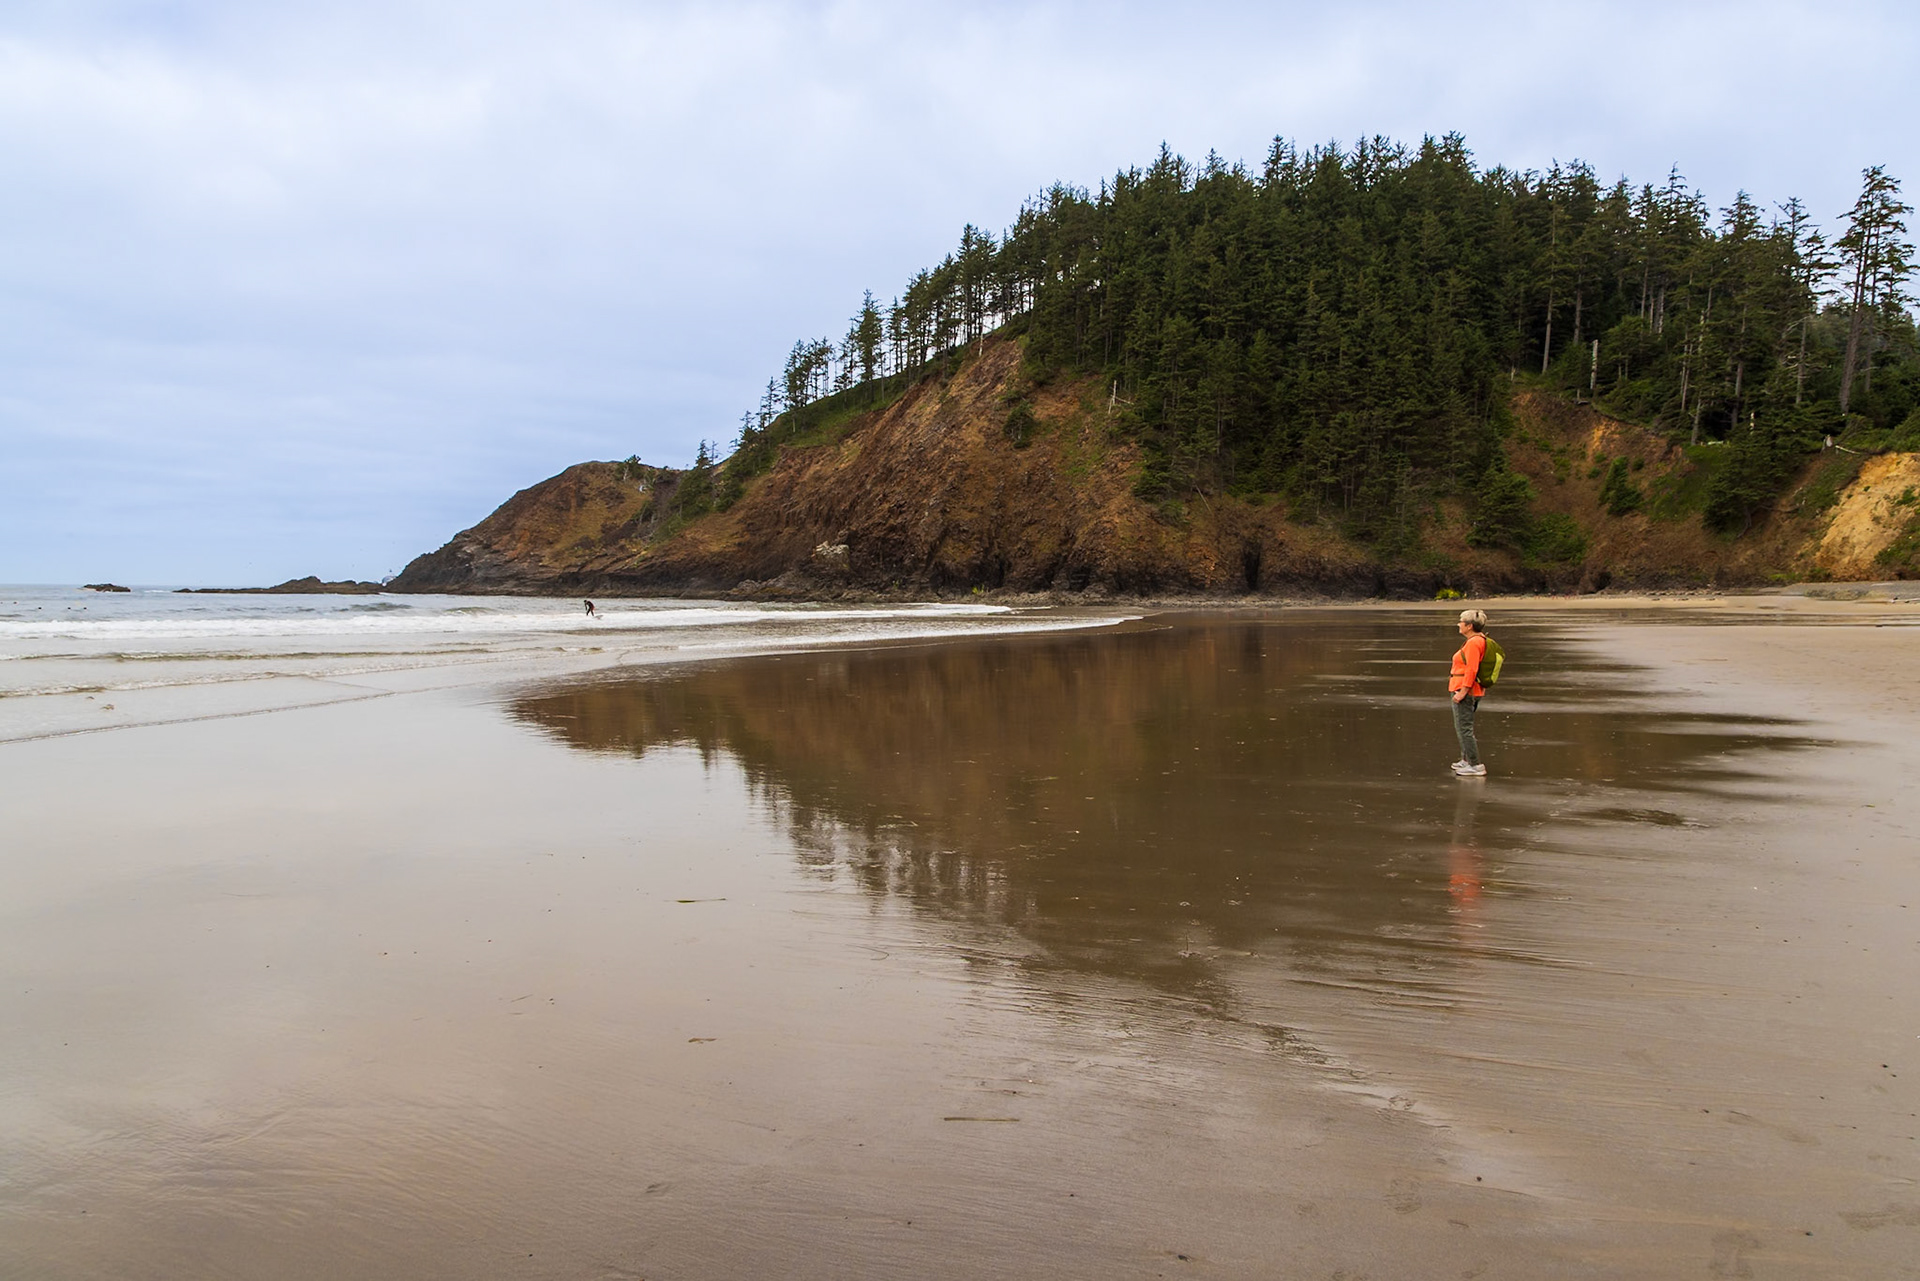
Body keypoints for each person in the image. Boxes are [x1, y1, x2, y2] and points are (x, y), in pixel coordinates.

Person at [1448, 608, 1489, 777]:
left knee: (1464, 728)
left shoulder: (1474, 643)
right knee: (1462, 726)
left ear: (1469, 625)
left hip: (1466, 690)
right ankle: (1466, 760)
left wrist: (1463, 692)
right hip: (1470, 689)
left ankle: (1475, 764)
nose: (1459, 624)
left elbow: (1472, 669)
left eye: (1461, 621)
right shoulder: (1478, 640)